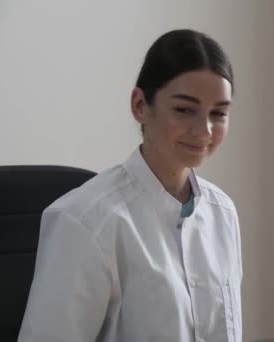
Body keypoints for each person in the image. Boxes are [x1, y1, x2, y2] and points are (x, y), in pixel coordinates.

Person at [18, 29, 242, 342]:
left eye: (218, 113)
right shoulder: (86, 221)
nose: (204, 130)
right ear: (140, 105)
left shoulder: (223, 213)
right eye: (184, 109)